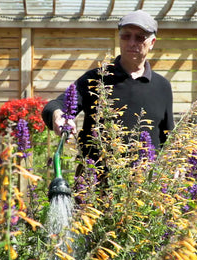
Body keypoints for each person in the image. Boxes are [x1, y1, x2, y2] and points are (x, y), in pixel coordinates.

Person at [42, 9, 174, 163]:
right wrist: (58, 116)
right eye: (126, 36)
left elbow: (168, 136)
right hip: (94, 182)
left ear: (152, 43)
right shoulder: (96, 78)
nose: (132, 42)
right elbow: (55, 105)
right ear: (119, 39)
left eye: (139, 37)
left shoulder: (162, 86)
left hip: (144, 184)